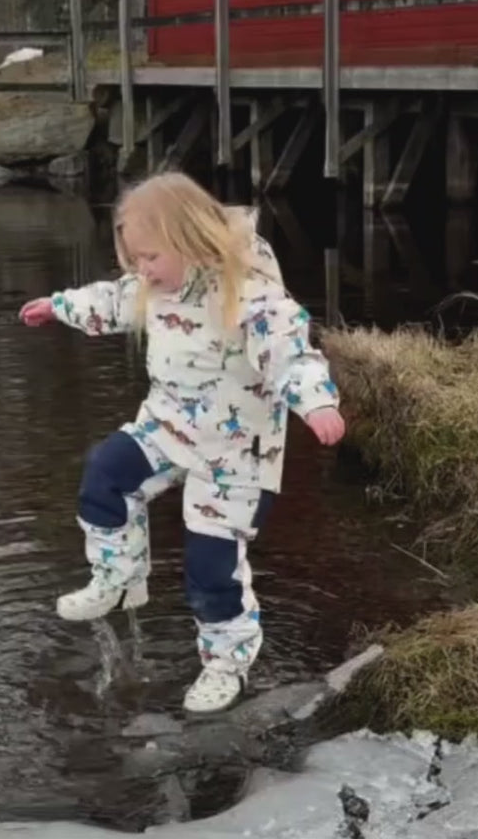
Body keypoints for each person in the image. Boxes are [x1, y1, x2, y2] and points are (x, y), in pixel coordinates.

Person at [19, 172, 345, 714]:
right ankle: (119, 577)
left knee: (211, 568)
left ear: (190, 239)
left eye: (151, 257)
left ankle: (226, 663)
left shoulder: (250, 293)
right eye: (135, 259)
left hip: (235, 456)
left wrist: (316, 403)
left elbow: (291, 353)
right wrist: (60, 307)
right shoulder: (152, 286)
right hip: (167, 427)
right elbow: (112, 300)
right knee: (106, 473)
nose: (142, 270)